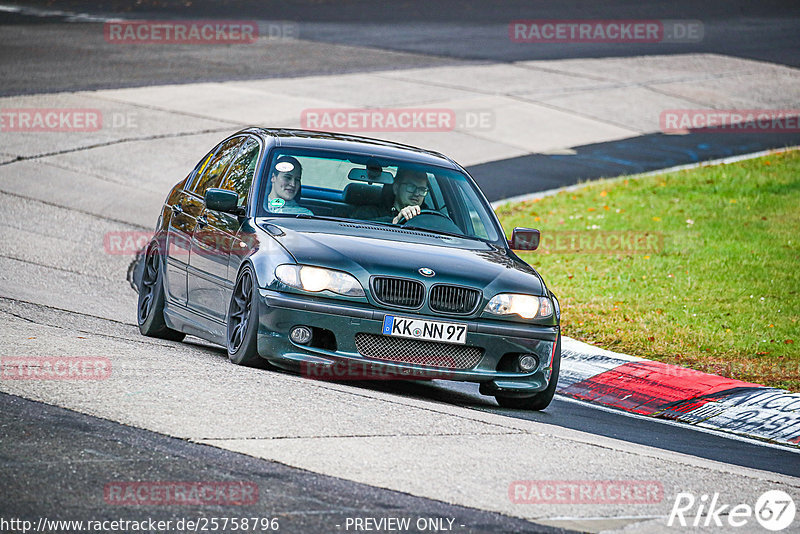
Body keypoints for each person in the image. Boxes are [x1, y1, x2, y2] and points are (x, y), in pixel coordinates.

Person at [353, 168, 429, 224]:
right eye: (411, 187)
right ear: (396, 188)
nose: (416, 193)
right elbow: (356, 229)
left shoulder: (428, 218)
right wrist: (394, 221)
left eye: (422, 189)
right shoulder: (368, 212)